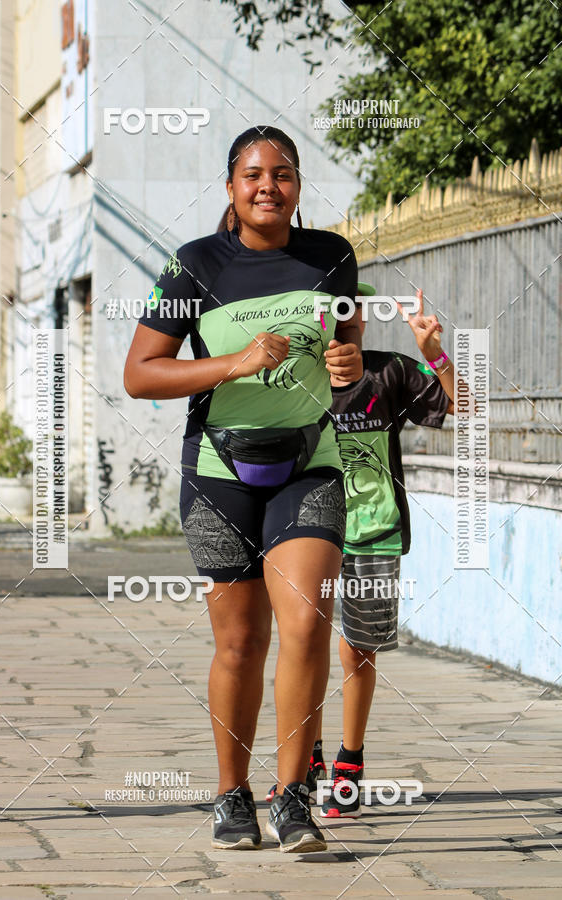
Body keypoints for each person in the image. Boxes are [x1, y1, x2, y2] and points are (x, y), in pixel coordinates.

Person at [124, 126, 362, 852]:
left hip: (310, 463)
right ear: (231, 187)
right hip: (221, 472)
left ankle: (293, 797)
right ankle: (232, 796)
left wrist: (348, 366)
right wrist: (231, 362)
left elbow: (344, 348)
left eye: (283, 173)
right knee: (240, 644)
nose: (269, 186)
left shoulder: (333, 257)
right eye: (253, 174)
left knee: (306, 625)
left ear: (297, 185)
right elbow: (140, 375)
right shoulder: (196, 265)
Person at [318, 287, 464, 818]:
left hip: (375, 532)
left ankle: (348, 763)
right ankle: (303, 759)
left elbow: (466, 411)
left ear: (363, 317)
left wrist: (435, 355)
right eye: (326, 309)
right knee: (301, 642)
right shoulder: (293, 380)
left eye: (348, 309)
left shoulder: (390, 373)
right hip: (307, 530)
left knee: (357, 647)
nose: (339, 322)